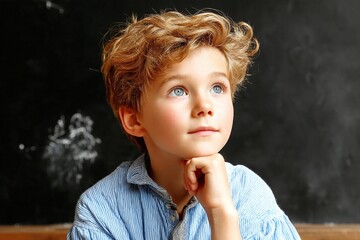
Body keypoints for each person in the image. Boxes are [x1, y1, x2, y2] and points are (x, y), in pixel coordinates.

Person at [67, 10, 301, 240]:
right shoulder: (102, 210)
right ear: (134, 119)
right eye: (178, 90)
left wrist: (222, 214)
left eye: (217, 88)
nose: (205, 106)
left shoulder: (250, 196)